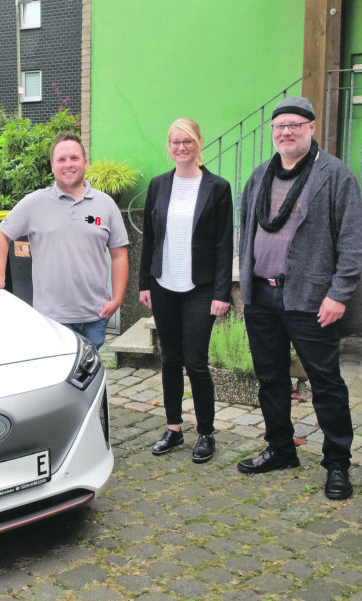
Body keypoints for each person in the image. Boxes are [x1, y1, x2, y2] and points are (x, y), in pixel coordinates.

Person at [236, 96, 362, 500]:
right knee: (271, 378)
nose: (286, 132)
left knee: (326, 383)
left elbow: (353, 238)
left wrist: (339, 294)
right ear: (273, 133)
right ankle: (280, 448)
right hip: (261, 296)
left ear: (311, 128)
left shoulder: (334, 176)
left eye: (295, 124)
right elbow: (246, 232)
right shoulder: (260, 176)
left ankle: (337, 464)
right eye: (279, 126)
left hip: (311, 299)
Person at [138, 118, 233, 462]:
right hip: (163, 283)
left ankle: (206, 432)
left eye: (187, 141)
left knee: (196, 362)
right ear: (169, 145)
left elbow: (224, 244)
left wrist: (222, 293)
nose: (181, 147)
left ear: (198, 143)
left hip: (200, 288)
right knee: (170, 359)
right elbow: (149, 237)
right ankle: (174, 427)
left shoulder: (217, 187)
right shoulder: (159, 185)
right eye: (175, 142)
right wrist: (144, 283)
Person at [0, 131, 129, 348]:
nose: (68, 164)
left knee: (90, 377)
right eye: (62, 159)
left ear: (85, 162)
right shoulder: (34, 203)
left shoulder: (105, 205)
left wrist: (117, 299)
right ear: (52, 165)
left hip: (95, 315)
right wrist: (0, 274)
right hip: (51, 317)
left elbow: (119, 255)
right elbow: (2, 235)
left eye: (74, 158)